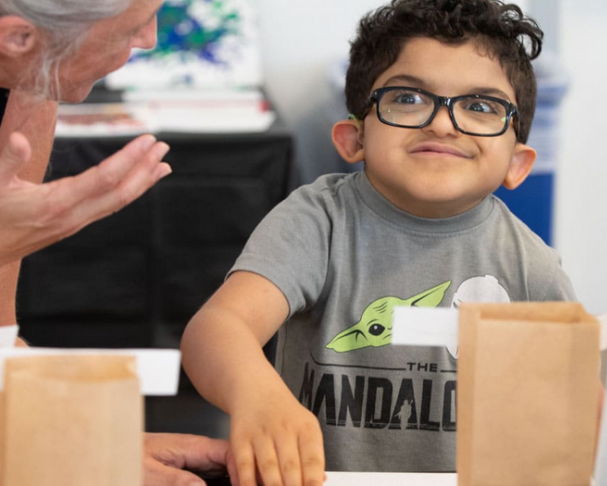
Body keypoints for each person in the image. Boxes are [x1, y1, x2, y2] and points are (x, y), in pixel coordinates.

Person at [181, 0, 577, 484]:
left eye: (480, 106)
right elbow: (217, 329)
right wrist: (255, 392)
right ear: (352, 139)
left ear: (518, 163)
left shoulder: (530, 265)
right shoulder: (316, 222)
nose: (443, 123)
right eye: (408, 99)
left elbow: (575, 398)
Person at [0, 1, 229, 484]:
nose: (149, 38)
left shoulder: (27, 79)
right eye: (133, 25)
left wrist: (74, 439)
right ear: (18, 37)